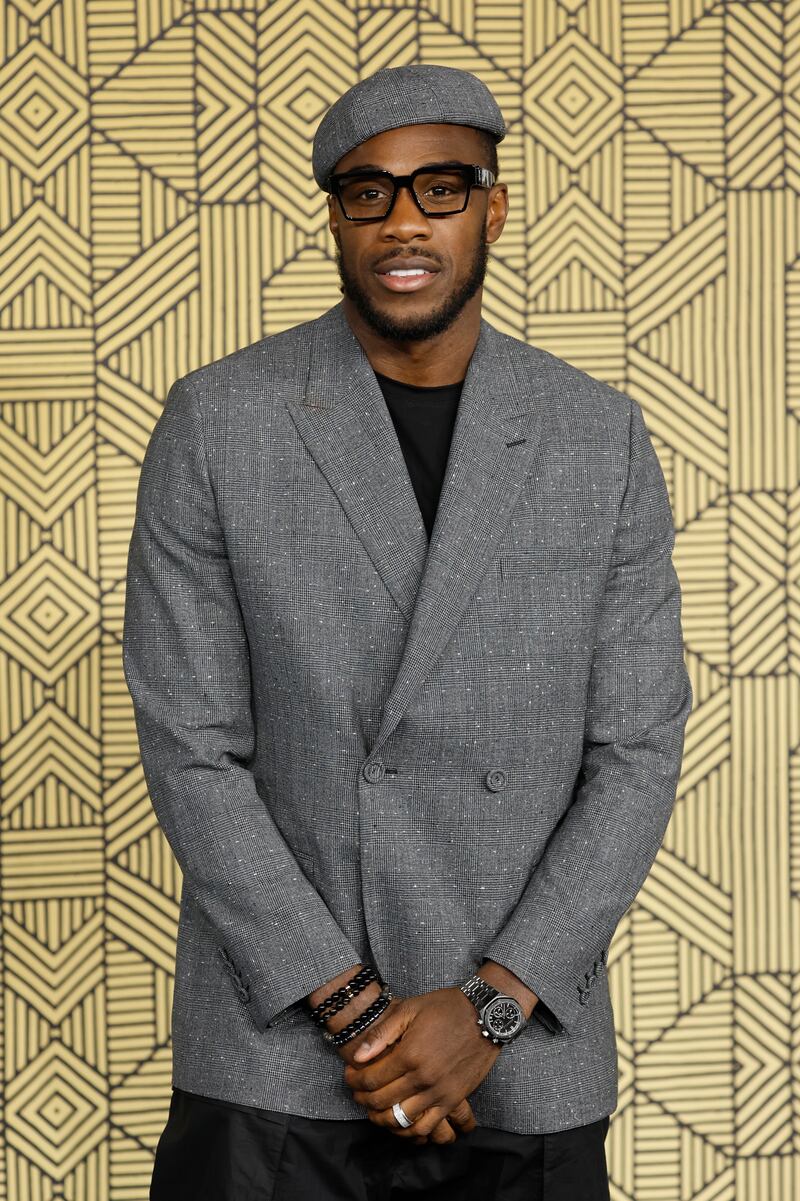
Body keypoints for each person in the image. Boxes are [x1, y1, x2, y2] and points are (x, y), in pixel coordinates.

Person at [123, 63, 693, 1200]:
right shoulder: (219, 420)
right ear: (333, 213)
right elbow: (191, 745)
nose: (403, 223)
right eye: (366, 193)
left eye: (439, 189)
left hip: (522, 1055)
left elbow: (634, 752)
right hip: (280, 1050)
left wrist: (488, 1005)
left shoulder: (597, 437)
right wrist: (358, 1010)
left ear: (492, 203)